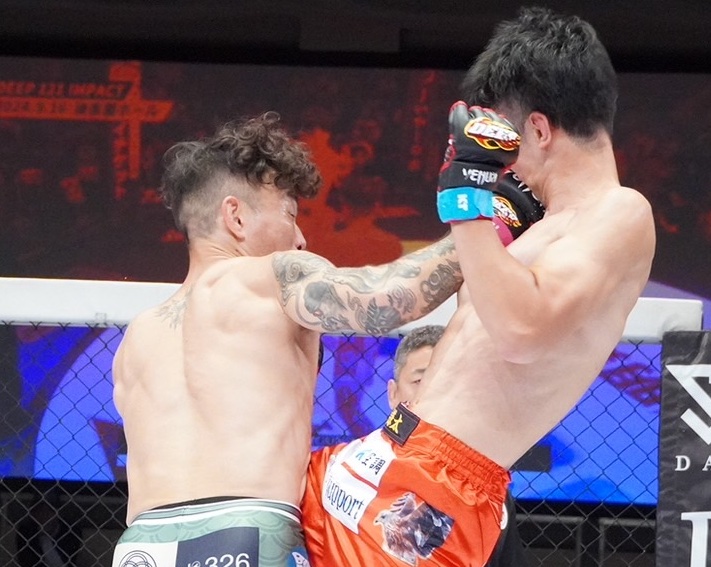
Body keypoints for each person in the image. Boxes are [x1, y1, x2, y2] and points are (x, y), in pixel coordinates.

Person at [302, 6, 655, 566]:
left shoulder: (620, 212)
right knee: (247, 490)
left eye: (508, 141)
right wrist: (489, 219)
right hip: (384, 449)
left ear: (538, 129)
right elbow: (479, 321)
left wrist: (465, 200)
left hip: (435, 492)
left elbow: (519, 332)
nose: (506, 162)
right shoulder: (546, 225)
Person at [110, 111, 471, 567]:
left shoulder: (138, 336)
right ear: (235, 216)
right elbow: (389, 300)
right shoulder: (270, 279)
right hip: (245, 533)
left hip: (141, 544)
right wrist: (483, 219)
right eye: (289, 214)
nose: (300, 238)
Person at [387, 325, 530, 567]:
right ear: (393, 393)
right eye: (419, 380)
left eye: (447, 382)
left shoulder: (486, 488)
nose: (432, 394)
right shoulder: (354, 468)